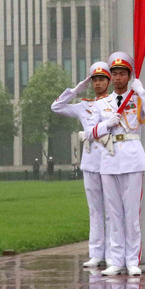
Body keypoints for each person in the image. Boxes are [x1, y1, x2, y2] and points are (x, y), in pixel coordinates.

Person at [83, 50, 145, 277]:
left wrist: (142, 92)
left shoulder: (137, 99)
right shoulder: (102, 103)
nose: (117, 78)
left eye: (122, 74)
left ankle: (132, 259)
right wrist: (106, 124)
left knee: (131, 214)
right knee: (114, 213)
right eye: (114, 74)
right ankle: (116, 260)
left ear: (129, 76)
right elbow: (89, 133)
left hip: (132, 158)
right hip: (108, 160)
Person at [52, 61, 111, 268]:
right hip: (90, 161)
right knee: (95, 210)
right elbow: (56, 107)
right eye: (94, 80)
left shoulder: (114, 101)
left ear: (108, 81)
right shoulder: (84, 105)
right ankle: (96, 253)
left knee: (111, 210)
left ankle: (113, 253)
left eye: (101, 79)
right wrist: (76, 90)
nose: (97, 83)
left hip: (110, 159)